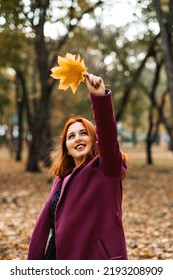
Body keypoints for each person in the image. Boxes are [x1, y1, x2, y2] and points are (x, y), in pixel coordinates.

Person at [28, 73, 128, 260]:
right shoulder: (62, 179)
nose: (77, 139)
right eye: (71, 136)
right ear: (66, 146)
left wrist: (99, 98)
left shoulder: (107, 170)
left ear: (94, 139)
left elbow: (108, 137)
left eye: (84, 133)